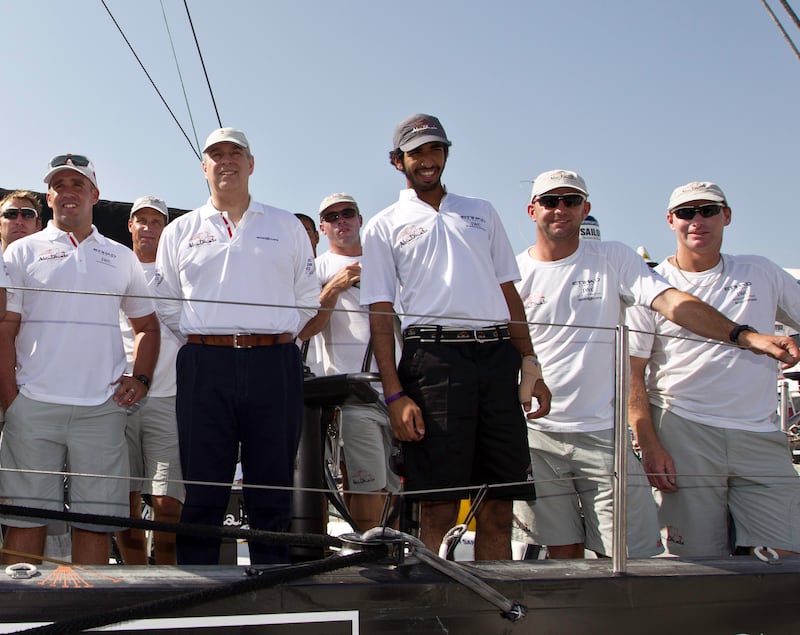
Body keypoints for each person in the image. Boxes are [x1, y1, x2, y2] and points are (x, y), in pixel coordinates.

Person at [513, 170, 799, 560]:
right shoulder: (513, 275)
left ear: (586, 209)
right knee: (564, 553)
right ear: (532, 210)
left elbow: (670, 302)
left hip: (606, 437)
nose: (561, 209)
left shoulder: (616, 258)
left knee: (635, 557)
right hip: (538, 436)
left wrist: (744, 336)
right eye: (550, 201)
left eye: (571, 200)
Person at [360, 113, 551, 560]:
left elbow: (508, 292)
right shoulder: (383, 225)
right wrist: (393, 394)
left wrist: (531, 364)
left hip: (496, 356)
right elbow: (381, 312)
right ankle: (429, 611)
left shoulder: (481, 211)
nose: (427, 161)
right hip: (433, 361)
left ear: (446, 153)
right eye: (416, 153)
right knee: (439, 508)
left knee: (499, 506)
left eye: (435, 150)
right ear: (397, 160)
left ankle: (493, 616)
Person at [154, 127, 319, 565]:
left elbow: (307, 298)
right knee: (204, 490)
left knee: (272, 488)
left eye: (235, 153)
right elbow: (167, 303)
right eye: (216, 155)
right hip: (204, 365)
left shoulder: (286, 225)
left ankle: (272, 587)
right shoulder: (179, 230)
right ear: (204, 166)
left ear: (251, 163)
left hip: (274, 363)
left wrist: (270, 335)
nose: (226, 161)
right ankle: (200, 595)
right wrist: (209, 335)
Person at [0, 154, 159, 565]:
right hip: (33, 407)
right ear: (49, 196)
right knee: (26, 520)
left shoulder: (120, 256)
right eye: (60, 185)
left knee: (97, 524)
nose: (69, 192)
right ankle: (20, 620)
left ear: (94, 194)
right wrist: (10, 400)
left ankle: (90, 624)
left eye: (78, 184)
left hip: (101, 412)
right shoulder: (19, 254)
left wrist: (140, 379)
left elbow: (148, 326)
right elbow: (5, 329)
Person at [627, 180, 800, 557]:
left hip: (760, 434)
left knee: (788, 555)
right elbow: (632, 374)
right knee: (697, 562)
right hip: (684, 433)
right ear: (671, 221)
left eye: (707, 211)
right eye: (687, 213)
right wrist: (650, 445)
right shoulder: (652, 286)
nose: (697, 221)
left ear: (727, 215)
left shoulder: (762, 271)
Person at [298, 193, 401, 531]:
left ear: (360, 219)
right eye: (333, 217)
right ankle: (369, 558)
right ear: (323, 227)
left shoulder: (387, 263)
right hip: (352, 393)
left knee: (398, 487)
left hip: (399, 388)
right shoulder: (316, 269)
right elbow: (305, 328)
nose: (341, 221)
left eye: (348, 214)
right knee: (367, 483)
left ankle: (396, 557)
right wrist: (334, 288)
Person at [115, 196, 185, 565]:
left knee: (167, 500)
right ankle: (134, 578)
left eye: (156, 221)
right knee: (123, 499)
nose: (148, 227)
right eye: (141, 220)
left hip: (168, 395)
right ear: (130, 225)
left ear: (166, 228)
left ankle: (167, 576)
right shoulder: (112, 266)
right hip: (116, 397)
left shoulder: (179, 274)